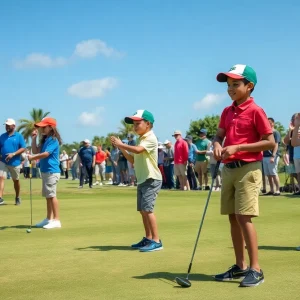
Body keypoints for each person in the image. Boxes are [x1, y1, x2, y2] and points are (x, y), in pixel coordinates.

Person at [213, 64, 275, 287]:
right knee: (232, 216)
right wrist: (217, 146)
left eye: (235, 84)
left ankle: (255, 269)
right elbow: (218, 136)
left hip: (248, 168)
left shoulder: (256, 111)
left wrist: (238, 148)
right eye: (228, 85)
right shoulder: (227, 111)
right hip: (228, 168)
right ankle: (240, 266)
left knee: (243, 216)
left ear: (249, 86)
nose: (230, 88)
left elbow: (270, 141)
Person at [111, 109, 163, 252]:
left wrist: (121, 145)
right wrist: (121, 148)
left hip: (151, 178)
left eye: (138, 123)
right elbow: (133, 159)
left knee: (148, 210)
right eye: (134, 124)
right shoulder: (142, 138)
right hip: (142, 178)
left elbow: (138, 150)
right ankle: (148, 238)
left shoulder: (150, 138)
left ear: (148, 124)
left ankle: (157, 241)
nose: (135, 126)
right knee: (142, 210)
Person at [29, 117, 62, 229]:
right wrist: (33, 138)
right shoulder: (45, 139)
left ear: (50, 127)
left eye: (44, 126)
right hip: (45, 171)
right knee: (48, 196)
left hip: (52, 171)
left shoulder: (53, 140)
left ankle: (56, 220)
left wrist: (33, 158)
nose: (41, 128)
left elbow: (46, 154)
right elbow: (35, 151)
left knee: (52, 195)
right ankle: (49, 219)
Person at [0, 118, 26, 205]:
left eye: (9, 125)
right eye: (6, 125)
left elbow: (23, 148)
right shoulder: (2, 136)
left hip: (15, 162)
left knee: (16, 181)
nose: (7, 126)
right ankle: (0, 198)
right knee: (1, 178)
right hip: (3, 162)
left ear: (14, 126)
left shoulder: (19, 136)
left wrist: (13, 154)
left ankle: (17, 197)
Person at [262, 118, 281, 196]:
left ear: (273, 123)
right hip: (265, 156)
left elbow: (276, 144)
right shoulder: (265, 133)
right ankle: (271, 189)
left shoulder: (275, 132)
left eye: (270, 122)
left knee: (273, 173)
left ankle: (278, 189)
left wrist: (273, 155)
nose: (268, 124)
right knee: (268, 174)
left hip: (272, 155)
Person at [291, 113, 300, 196]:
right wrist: (296, 127)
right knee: (298, 173)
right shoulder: (295, 129)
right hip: (296, 155)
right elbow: (293, 143)